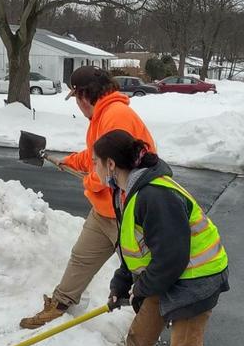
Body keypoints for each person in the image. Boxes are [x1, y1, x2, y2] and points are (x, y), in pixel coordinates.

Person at [77, 129, 240, 346]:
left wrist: (142, 289)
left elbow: (172, 257)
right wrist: (122, 282)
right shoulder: (128, 190)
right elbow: (137, 246)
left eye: (95, 162)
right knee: (140, 336)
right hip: (168, 275)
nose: (91, 168)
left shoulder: (156, 195)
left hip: (196, 280)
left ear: (111, 164)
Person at [19, 66, 157, 329]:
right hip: (105, 210)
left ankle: (149, 324)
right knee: (81, 257)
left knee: (142, 272)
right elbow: (97, 155)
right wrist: (69, 161)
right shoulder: (101, 115)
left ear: (83, 95)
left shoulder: (116, 116)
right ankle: (58, 306)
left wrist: (89, 180)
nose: (78, 106)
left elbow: (113, 168)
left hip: (128, 213)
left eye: (75, 98)